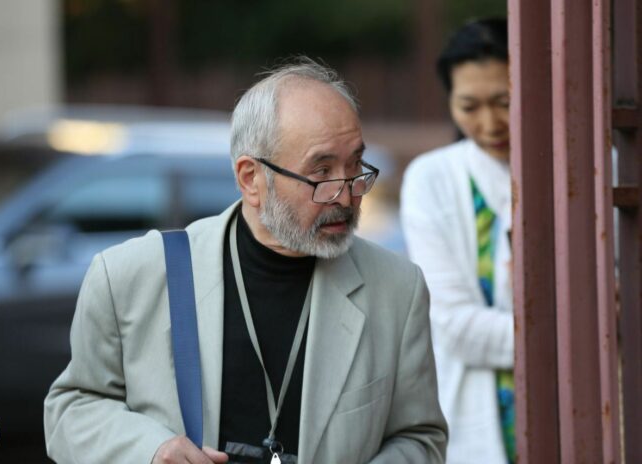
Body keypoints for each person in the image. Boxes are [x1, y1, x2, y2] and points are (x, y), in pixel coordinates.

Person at [44, 58, 447, 464]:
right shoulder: (130, 275)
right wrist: (151, 451)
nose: (346, 195)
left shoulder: (397, 288)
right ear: (251, 178)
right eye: (322, 172)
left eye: (355, 165)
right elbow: (70, 410)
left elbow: (420, 437)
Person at [400, 18, 514, 464]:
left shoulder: (601, 165)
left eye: (505, 102)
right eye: (469, 106)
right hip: (473, 428)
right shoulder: (430, 179)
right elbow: (455, 327)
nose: (490, 123)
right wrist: (582, 329)